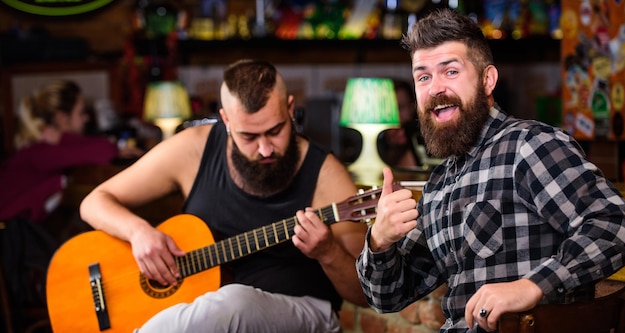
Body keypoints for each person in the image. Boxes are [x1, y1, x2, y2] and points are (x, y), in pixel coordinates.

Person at [356, 8, 625, 333]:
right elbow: (388, 298)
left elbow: (615, 226)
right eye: (423, 76)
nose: (435, 88)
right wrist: (380, 241)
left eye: (450, 71)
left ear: (488, 80)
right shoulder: (440, 184)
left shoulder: (529, 146)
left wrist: (532, 286)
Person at [79, 59, 369, 332]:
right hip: (205, 312)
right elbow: (94, 202)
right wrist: (138, 232)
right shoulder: (192, 149)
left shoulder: (326, 175)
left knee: (233, 304)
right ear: (225, 120)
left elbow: (363, 293)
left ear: (290, 109)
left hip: (305, 311)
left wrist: (328, 252)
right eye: (249, 137)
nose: (266, 149)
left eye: (276, 130)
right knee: (218, 307)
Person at [0, 80, 142, 225]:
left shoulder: (41, 150)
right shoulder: (38, 151)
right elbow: (102, 150)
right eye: (81, 113)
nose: (86, 118)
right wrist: (64, 139)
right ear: (62, 118)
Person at [378, 79, 420, 168]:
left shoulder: (424, 139)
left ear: (413, 107)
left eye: (400, 108)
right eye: (389, 110)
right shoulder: (378, 143)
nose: (395, 116)